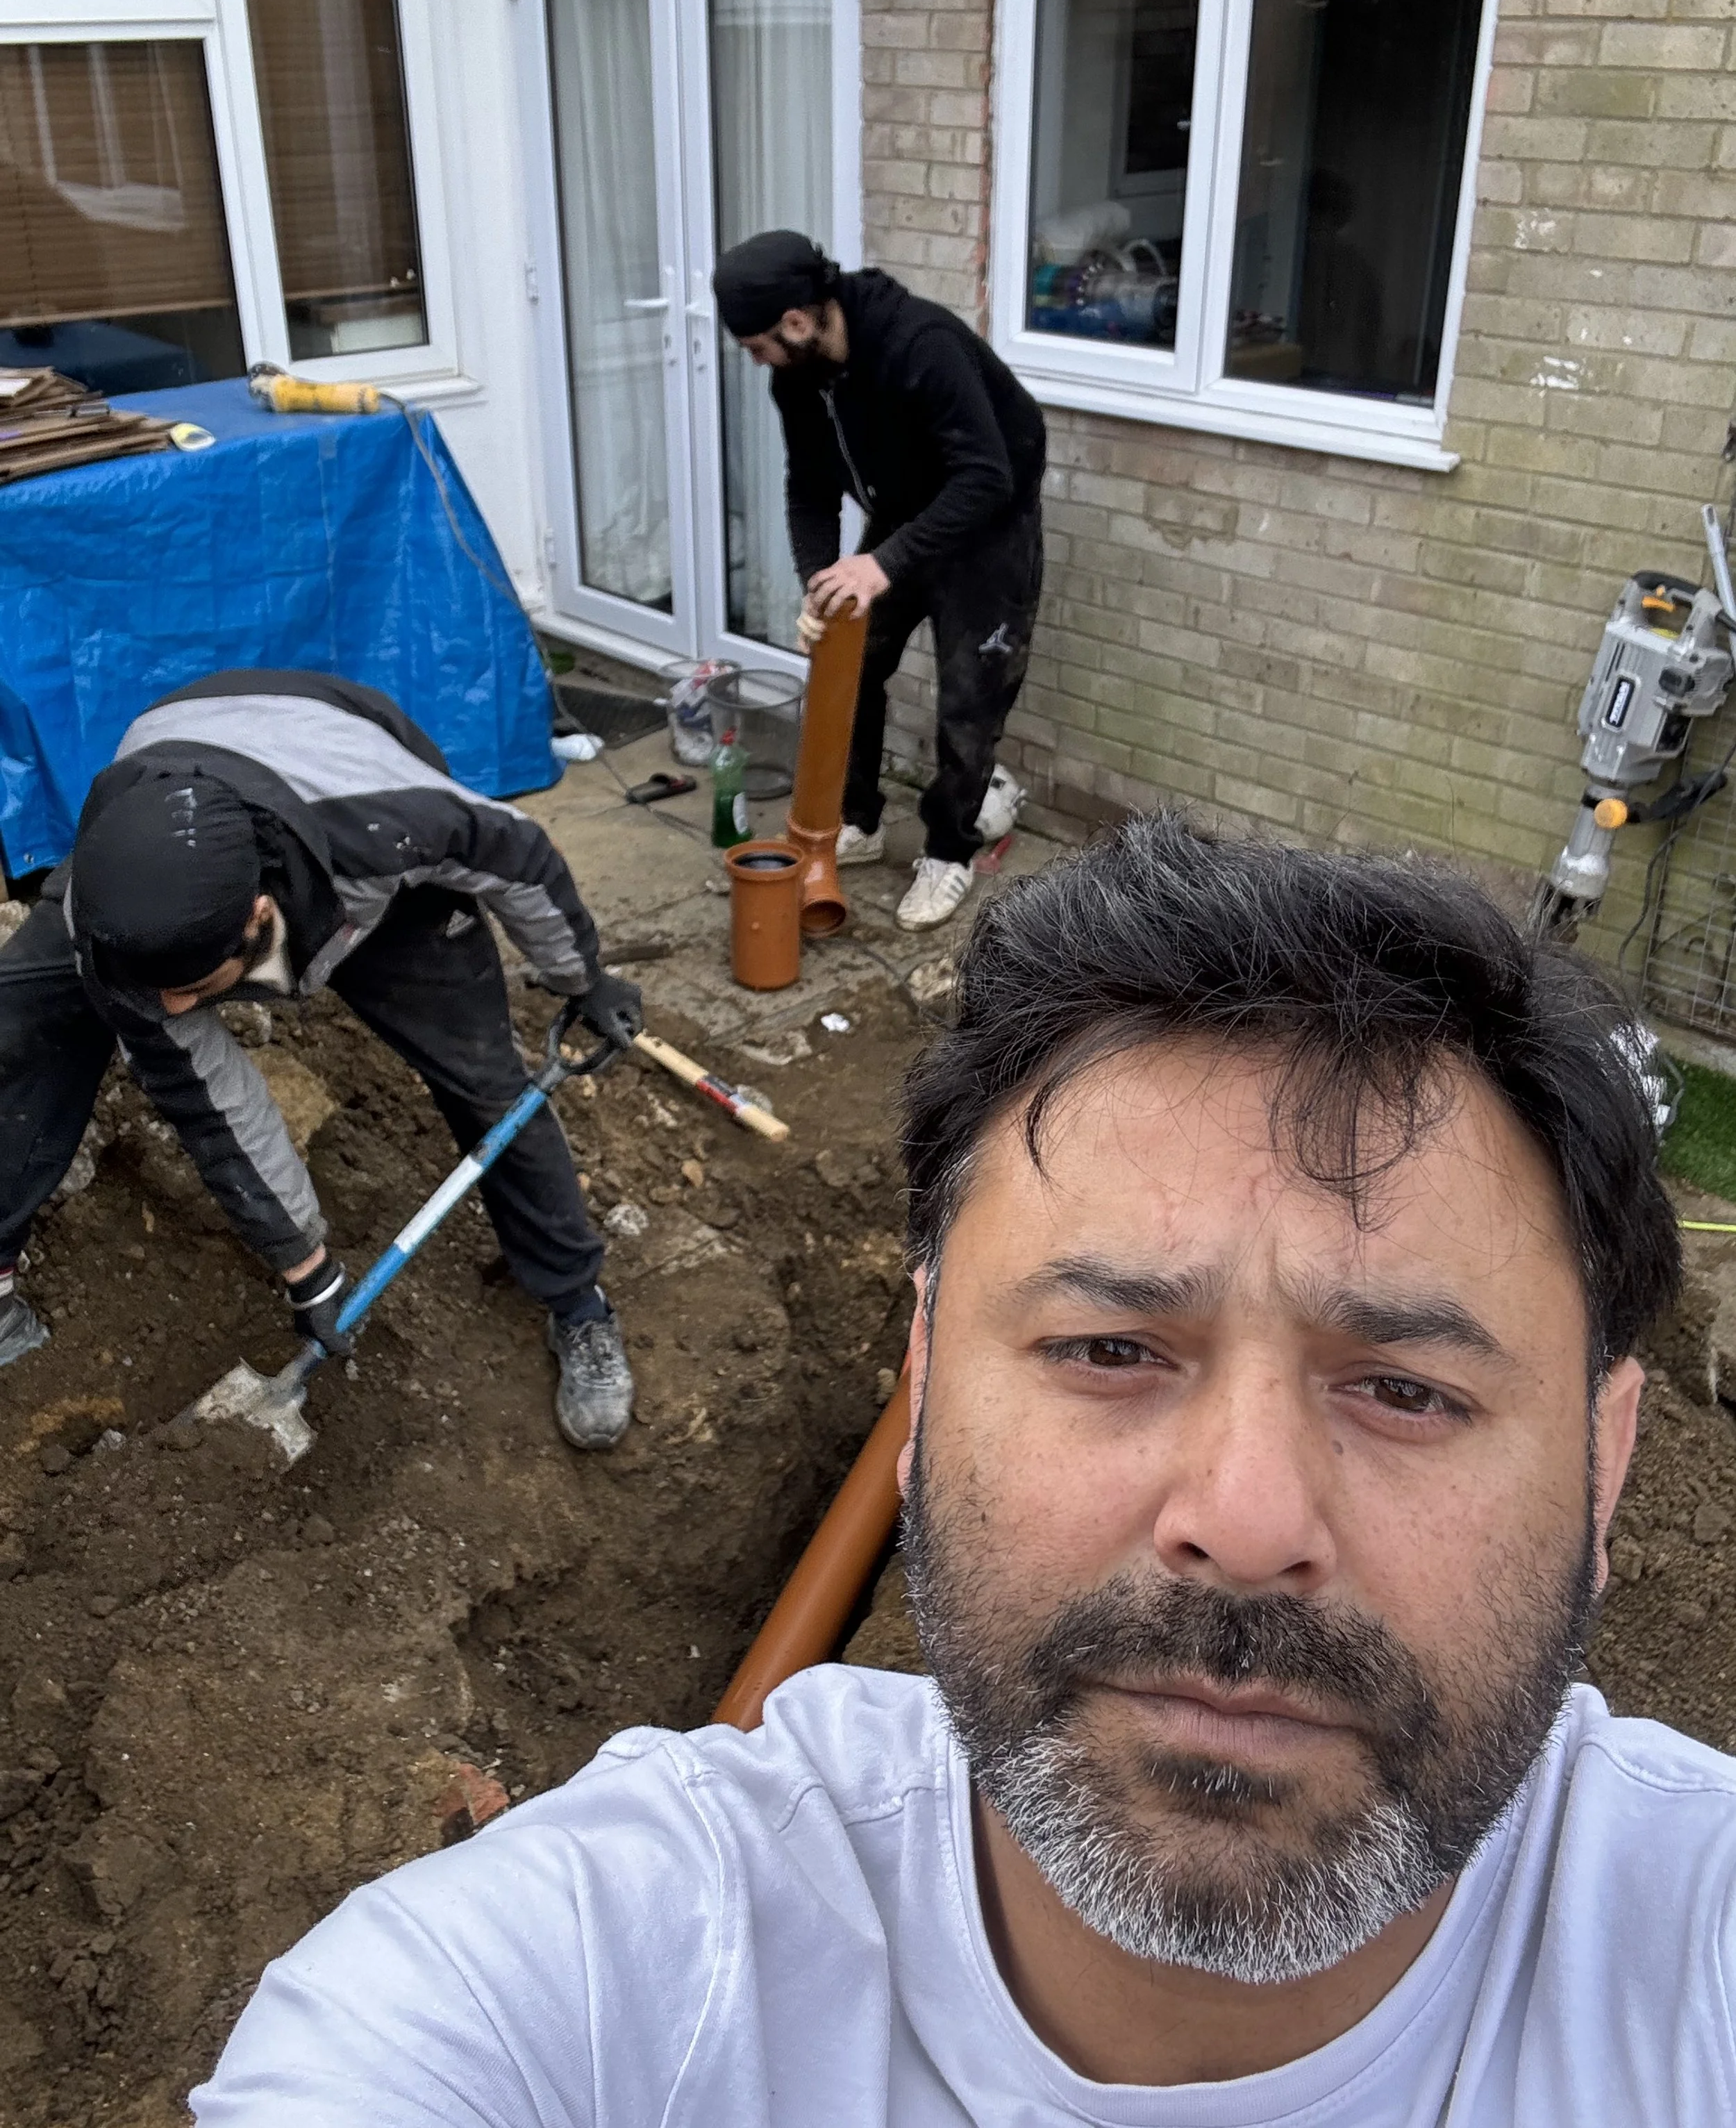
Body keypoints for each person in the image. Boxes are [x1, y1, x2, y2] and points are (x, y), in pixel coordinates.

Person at [191, 814, 1736, 2125]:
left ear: (1602, 1470)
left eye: (1402, 1386)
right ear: (921, 1387)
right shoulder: (592, 1975)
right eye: (1110, 1350)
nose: (1247, 1520)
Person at [0, 669, 644, 1450]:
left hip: (354, 832)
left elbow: (521, 856)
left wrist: (583, 978)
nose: (177, 1009)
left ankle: (577, 1304)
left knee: (488, 1083)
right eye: (161, 992)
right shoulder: (115, 929)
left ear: (258, 917)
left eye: (194, 990)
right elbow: (213, 1104)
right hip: (190, 807)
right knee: (25, 1020)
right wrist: (307, 1268)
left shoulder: (392, 824)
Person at [713, 229, 1046, 933]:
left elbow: (987, 475)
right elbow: (808, 489)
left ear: (797, 322)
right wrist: (819, 582)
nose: (758, 361)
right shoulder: (797, 376)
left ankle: (950, 850)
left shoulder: (921, 344)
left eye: (758, 346)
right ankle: (855, 819)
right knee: (852, 662)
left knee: (968, 696)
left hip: (987, 522)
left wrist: (883, 563)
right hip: (900, 521)